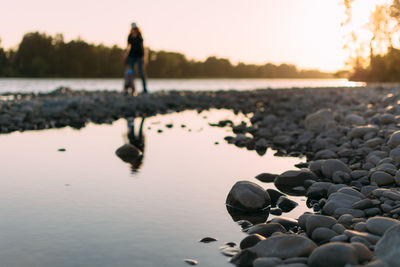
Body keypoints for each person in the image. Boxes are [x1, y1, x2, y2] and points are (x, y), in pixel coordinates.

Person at [125, 22, 148, 93]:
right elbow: (128, 48)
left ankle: (144, 89)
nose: (134, 30)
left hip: (139, 56)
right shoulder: (130, 37)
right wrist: (125, 57)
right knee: (131, 73)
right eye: (133, 28)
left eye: (135, 28)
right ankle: (133, 89)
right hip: (131, 56)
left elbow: (142, 47)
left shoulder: (139, 37)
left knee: (141, 72)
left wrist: (144, 57)